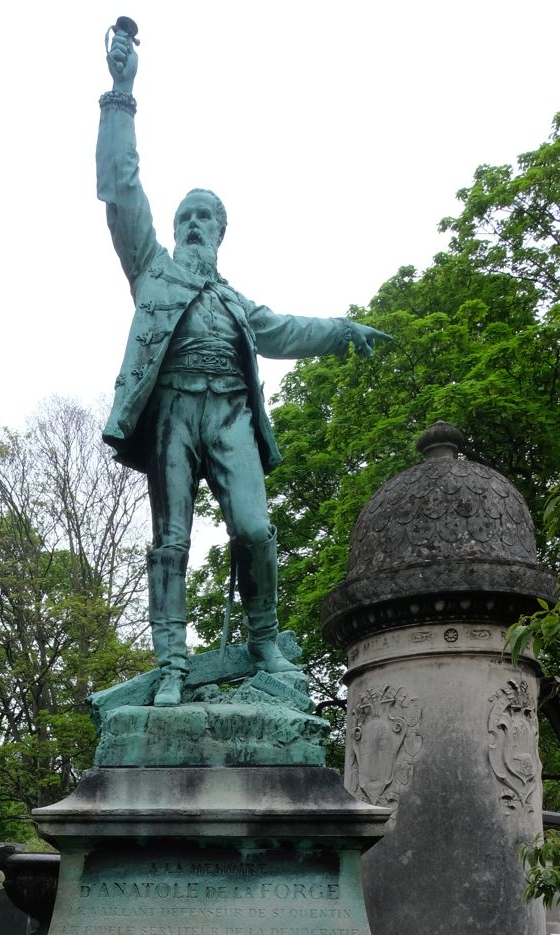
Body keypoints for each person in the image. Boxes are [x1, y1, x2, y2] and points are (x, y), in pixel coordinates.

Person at [99, 25, 389, 706]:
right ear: (173, 231)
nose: (195, 224)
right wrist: (121, 96)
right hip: (173, 413)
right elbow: (121, 191)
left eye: (207, 217)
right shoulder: (153, 273)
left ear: (221, 231)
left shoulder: (234, 304)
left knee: (255, 530)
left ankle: (263, 641)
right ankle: (171, 663)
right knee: (170, 539)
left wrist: (345, 331)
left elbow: (288, 329)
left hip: (230, 414)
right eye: (186, 216)